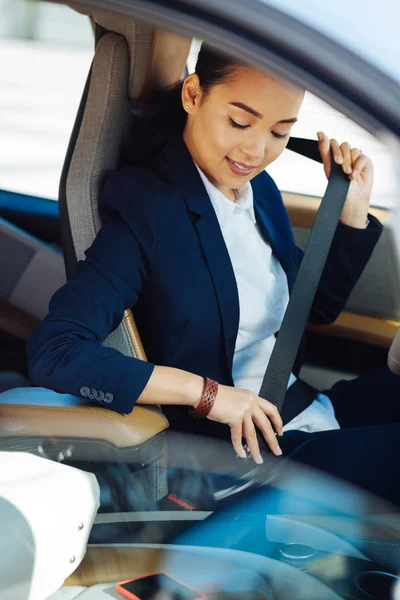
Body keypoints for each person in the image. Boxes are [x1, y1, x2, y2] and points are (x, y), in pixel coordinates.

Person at [26, 45, 400, 506]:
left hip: (303, 410)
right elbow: (56, 351)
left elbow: (312, 307)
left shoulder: (257, 187)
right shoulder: (148, 207)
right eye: (239, 123)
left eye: (280, 132)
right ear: (192, 94)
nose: (256, 150)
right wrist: (206, 395)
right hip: (240, 461)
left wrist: (352, 211)